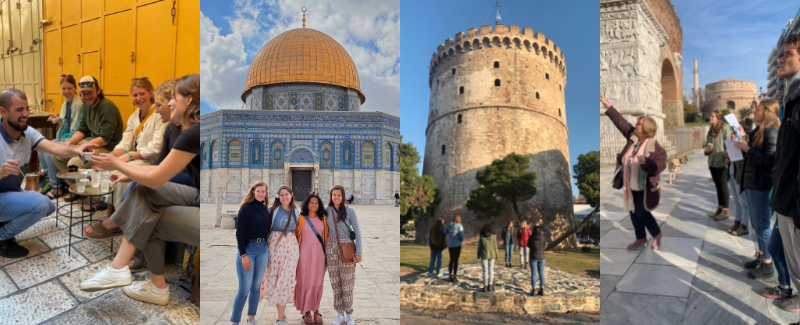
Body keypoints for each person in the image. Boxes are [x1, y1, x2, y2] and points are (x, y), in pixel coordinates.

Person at [77, 74, 201, 306]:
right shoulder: (186, 130)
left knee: (148, 216)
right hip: (199, 194)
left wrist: (117, 163)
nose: (168, 104)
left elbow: (157, 176)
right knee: (144, 195)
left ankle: (148, 282)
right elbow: (161, 169)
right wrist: (124, 170)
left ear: (189, 100)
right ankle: (124, 269)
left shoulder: (195, 131)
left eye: (173, 98)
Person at [0, 89, 96, 257]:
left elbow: (55, 148)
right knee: (40, 204)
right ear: (3, 112)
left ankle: (3, 222)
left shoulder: (27, 132)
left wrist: (78, 150)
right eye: (19, 110)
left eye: (27, 108)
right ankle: (2, 238)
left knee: (48, 206)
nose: (25, 114)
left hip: (8, 192)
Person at [86, 77, 168, 212]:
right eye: (135, 95)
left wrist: (128, 157)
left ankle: (119, 214)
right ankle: (109, 205)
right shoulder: (134, 116)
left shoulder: (159, 114)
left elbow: (155, 147)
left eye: (142, 93)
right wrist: (111, 156)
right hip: (138, 157)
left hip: (153, 160)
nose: (138, 98)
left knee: (121, 169)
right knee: (109, 168)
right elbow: (125, 141)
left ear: (151, 94)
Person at [600, 92, 667, 250]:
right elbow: (620, 121)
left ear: (645, 129)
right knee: (632, 210)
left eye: (639, 124)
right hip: (629, 183)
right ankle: (641, 238)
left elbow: (659, 166)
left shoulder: (656, 148)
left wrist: (647, 162)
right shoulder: (633, 138)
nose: (635, 124)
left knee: (642, 212)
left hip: (644, 186)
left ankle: (656, 234)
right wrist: (606, 104)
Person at [53, 75, 123, 201]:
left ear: (98, 90)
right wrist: (68, 143)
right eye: (83, 93)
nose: (86, 96)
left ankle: (93, 196)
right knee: (57, 155)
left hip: (108, 147)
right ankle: (78, 189)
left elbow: (105, 138)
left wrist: (81, 147)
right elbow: (82, 129)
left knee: (73, 163)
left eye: (90, 92)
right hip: (92, 142)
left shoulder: (107, 107)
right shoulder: (86, 105)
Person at [734, 100, 780, 280]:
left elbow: (770, 162)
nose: (754, 112)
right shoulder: (759, 131)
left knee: (762, 226)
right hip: (753, 184)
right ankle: (762, 255)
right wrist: (743, 139)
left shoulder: (772, 133)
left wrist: (747, 149)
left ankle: (768, 265)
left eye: (758, 110)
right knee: (756, 223)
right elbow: (751, 147)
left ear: (768, 113)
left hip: (761, 186)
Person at [771, 34, 800, 317]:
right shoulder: (791, 95)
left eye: (788, 53)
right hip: (786, 197)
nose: (781, 58)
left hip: (794, 200)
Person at [230, 182, 271, 325]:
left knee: (256, 287)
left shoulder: (265, 210)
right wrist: (243, 255)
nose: (261, 194)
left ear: (266, 193)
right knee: (244, 289)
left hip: (263, 250)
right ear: (253, 192)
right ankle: (235, 322)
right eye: (258, 191)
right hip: (249, 250)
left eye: (263, 191)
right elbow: (240, 234)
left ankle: (251, 319)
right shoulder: (246, 209)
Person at [259, 185, 300, 325]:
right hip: (275, 248)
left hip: (292, 249)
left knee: (286, 281)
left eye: (286, 194)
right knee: (277, 280)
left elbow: (299, 231)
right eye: (281, 195)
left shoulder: (296, 211)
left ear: (291, 195)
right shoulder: (273, 211)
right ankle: (280, 317)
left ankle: (281, 317)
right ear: (278, 197)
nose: (284, 197)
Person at [40, 74, 83, 199]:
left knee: (49, 152)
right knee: (41, 146)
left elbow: (78, 128)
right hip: (68, 135)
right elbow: (66, 124)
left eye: (69, 88)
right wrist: (59, 120)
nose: (66, 91)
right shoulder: (66, 104)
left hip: (76, 137)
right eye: (63, 89)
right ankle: (47, 179)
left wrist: (67, 140)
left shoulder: (78, 104)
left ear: (75, 88)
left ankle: (56, 187)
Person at [325, 185, 362, 325]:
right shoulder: (327, 211)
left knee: (347, 281)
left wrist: (358, 252)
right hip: (331, 247)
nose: (336, 197)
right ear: (331, 196)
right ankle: (340, 313)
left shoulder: (349, 211)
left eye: (339, 195)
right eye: (334, 195)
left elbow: (357, 231)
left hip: (346, 247)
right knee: (335, 282)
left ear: (343, 196)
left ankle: (350, 313)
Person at [294, 193, 328, 324]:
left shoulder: (323, 218)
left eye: (316, 203)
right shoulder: (301, 218)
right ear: (307, 204)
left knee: (317, 282)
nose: (313, 205)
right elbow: (295, 236)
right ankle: (306, 312)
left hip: (319, 254)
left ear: (319, 205)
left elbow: (327, 237)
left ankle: (316, 311)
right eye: (311, 202)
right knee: (305, 281)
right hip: (304, 253)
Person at [705, 110, 732, 220]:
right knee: (717, 186)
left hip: (721, 162)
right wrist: (707, 150)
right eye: (710, 115)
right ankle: (720, 208)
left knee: (723, 186)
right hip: (712, 161)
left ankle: (725, 211)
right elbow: (708, 145)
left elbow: (729, 144)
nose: (710, 117)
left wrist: (726, 156)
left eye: (713, 116)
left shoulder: (725, 128)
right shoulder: (711, 129)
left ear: (719, 118)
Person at [727, 121, 752, 236]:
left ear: (745, 131)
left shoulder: (747, 141)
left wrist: (740, 140)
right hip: (732, 173)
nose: (734, 131)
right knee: (736, 201)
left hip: (740, 175)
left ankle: (744, 225)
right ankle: (737, 222)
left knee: (744, 202)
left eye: (738, 129)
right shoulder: (735, 140)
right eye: (734, 129)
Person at [444, 214, 465, 282]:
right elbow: (461, 236)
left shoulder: (450, 225)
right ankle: (454, 276)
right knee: (456, 260)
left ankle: (450, 275)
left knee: (451, 259)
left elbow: (444, 232)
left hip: (450, 245)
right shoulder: (460, 226)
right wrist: (460, 240)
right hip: (457, 245)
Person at [477, 223, 497, 292]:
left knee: (485, 271)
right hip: (492, 255)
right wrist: (496, 255)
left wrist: (478, 254)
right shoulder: (494, 237)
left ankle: (485, 286)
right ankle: (490, 286)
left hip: (484, 255)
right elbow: (495, 247)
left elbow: (479, 247)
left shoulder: (482, 237)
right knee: (491, 270)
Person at [528, 226, 546, 296]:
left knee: (534, 274)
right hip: (542, 257)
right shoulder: (542, 237)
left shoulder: (531, 237)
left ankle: (533, 289)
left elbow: (528, 245)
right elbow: (544, 245)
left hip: (533, 256)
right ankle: (542, 288)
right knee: (541, 273)